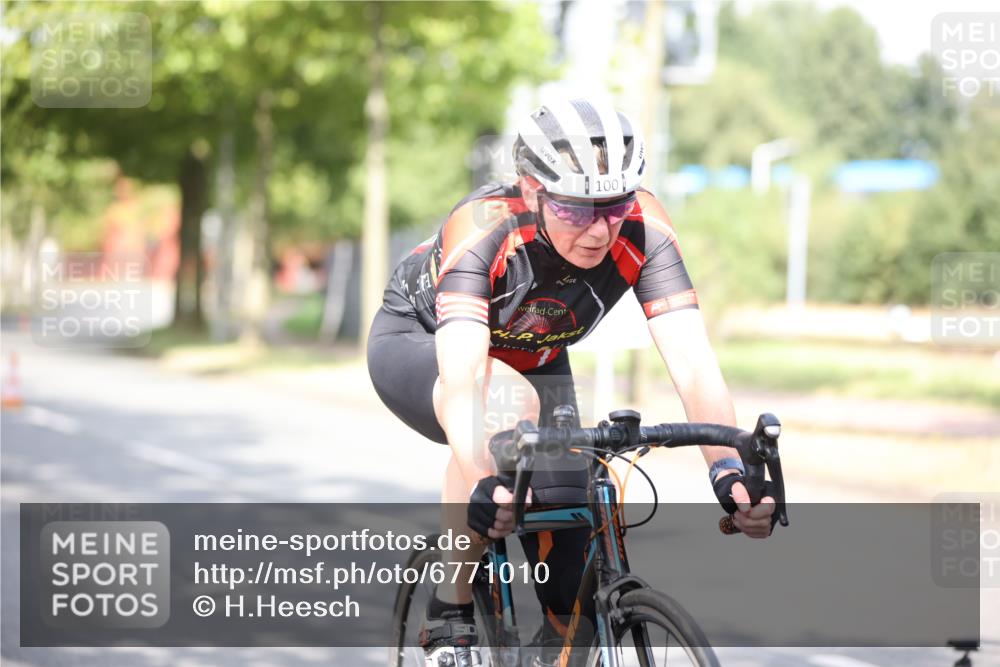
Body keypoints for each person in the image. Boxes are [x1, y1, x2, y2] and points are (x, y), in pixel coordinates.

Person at [368, 97, 775, 667]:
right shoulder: (485, 228)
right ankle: (449, 611)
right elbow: (462, 380)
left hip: (535, 356)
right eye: (575, 209)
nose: (600, 229)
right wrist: (486, 479)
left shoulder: (645, 228)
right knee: (508, 421)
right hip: (424, 343)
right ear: (533, 191)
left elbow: (694, 362)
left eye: (613, 206)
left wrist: (728, 468)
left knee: (571, 551)